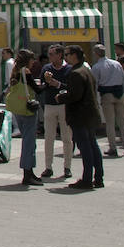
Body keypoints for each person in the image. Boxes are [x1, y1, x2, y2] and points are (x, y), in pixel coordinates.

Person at [55, 45, 104, 189]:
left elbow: (75, 95)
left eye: (67, 54)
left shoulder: (76, 72)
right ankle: (98, 177)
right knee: (93, 146)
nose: (66, 57)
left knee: (86, 147)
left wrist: (61, 97)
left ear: (74, 55)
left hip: (80, 115)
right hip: (90, 114)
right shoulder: (87, 70)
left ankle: (87, 179)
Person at [7, 49, 45, 186]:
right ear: (27, 60)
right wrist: (47, 82)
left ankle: (30, 172)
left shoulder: (15, 71)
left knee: (28, 140)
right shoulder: (26, 72)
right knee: (29, 142)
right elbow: (37, 89)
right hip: (27, 108)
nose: (34, 62)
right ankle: (27, 174)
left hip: (18, 109)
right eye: (32, 59)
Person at [38, 44, 72, 180]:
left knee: (66, 138)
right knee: (49, 137)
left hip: (64, 105)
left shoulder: (68, 69)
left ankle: (67, 167)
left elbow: (71, 87)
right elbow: (41, 84)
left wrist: (57, 84)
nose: (49, 57)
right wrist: (46, 82)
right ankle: (48, 166)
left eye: (52, 54)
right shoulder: (46, 68)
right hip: (50, 104)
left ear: (59, 55)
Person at [91, 44, 124, 157]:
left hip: (107, 94)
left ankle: (113, 147)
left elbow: (95, 84)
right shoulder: (116, 63)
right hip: (119, 93)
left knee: (110, 123)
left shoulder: (97, 67)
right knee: (122, 122)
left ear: (96, 53)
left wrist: (95, 98)